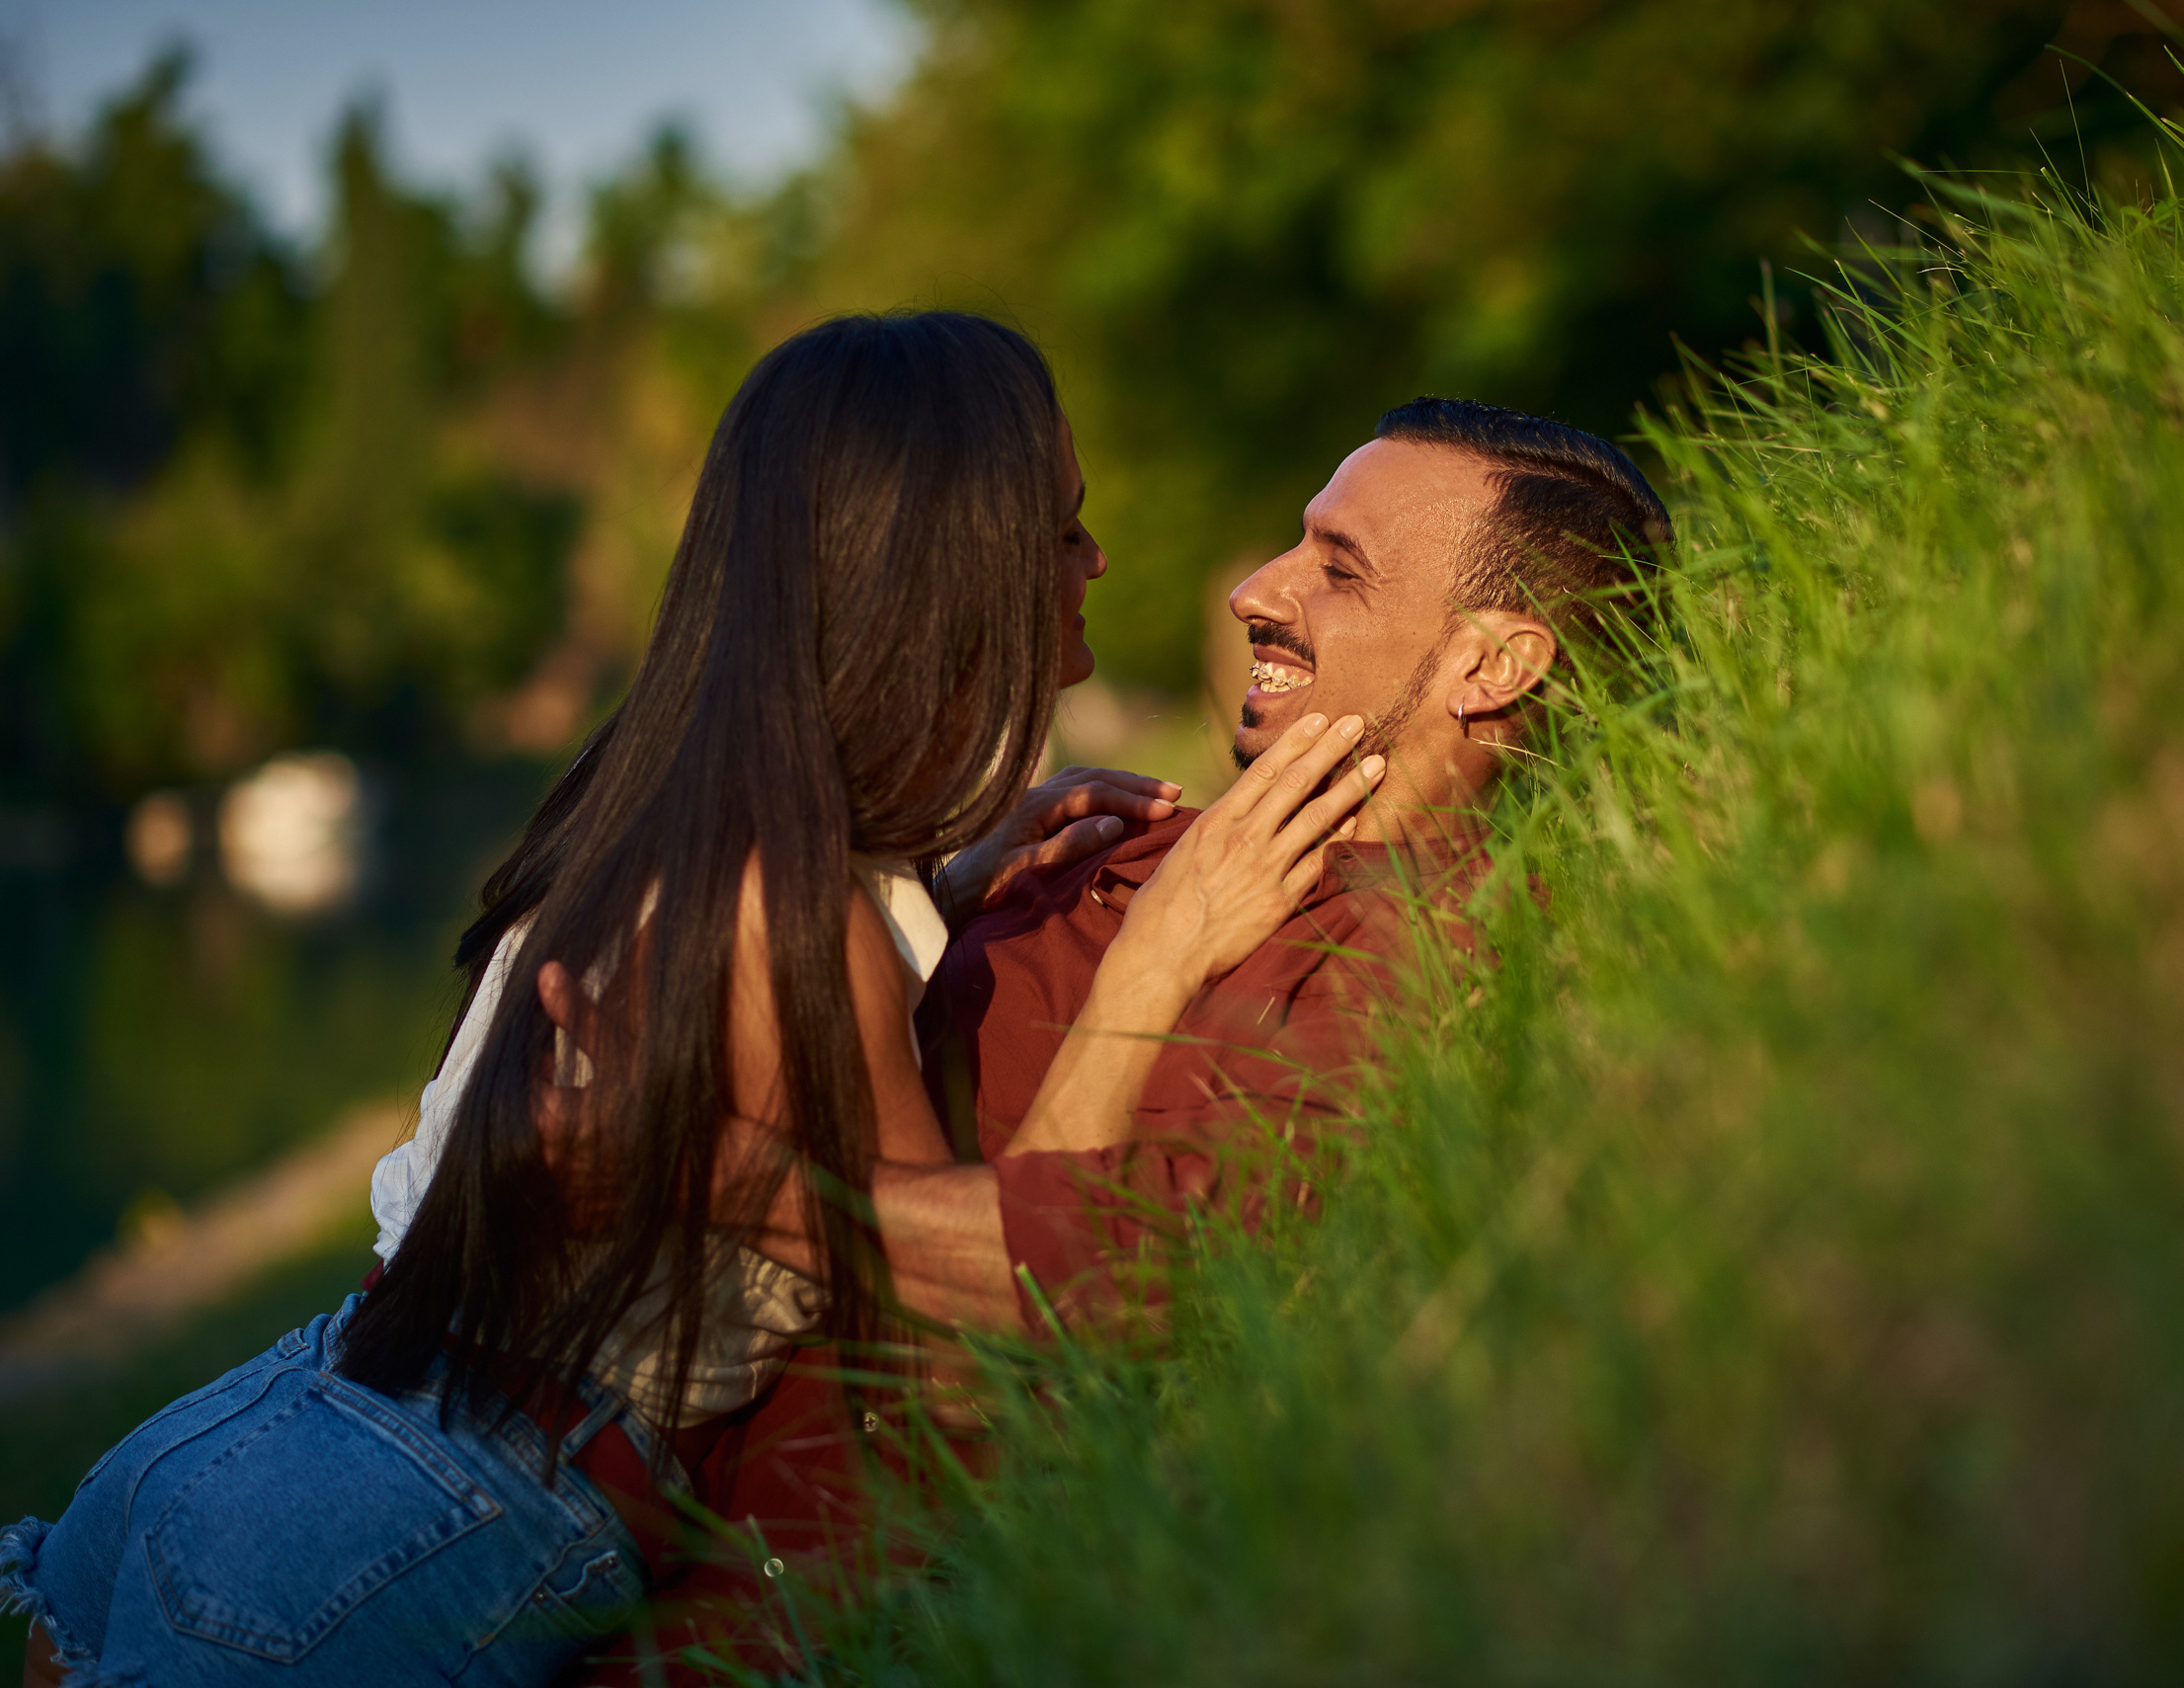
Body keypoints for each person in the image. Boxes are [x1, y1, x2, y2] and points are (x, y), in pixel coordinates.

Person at [2, 310, 1384, 1688]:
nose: (1094, 562)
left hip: (276, 1412)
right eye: (1061, 530)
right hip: (440, 1503)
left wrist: (947, 881)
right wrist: (1158, 953)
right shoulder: (794, 913)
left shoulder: (653, 811)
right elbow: (954, 1360)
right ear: (951, 575)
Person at [586, 399, 1670, 1676]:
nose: (1256, 594)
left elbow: (1078, 1292)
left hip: (782, 1623)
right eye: (1295, 545)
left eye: (1338, 568)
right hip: (579, 1502)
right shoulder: (1128, 836)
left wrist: (698, 1166)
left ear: (1493, 665)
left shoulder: (1425, 971)